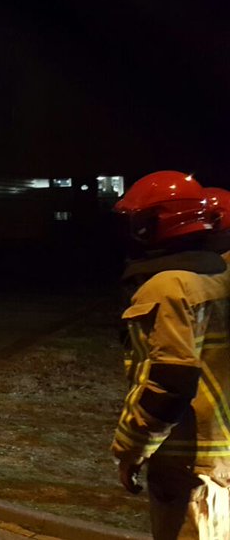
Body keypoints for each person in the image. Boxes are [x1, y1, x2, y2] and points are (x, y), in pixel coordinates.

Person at [112, 171, 230, 539]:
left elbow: (169, 385)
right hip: (220, 458)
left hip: (187, 467)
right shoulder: (219, 276)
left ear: (150, 225)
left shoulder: (168, 287)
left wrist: (129, 450)